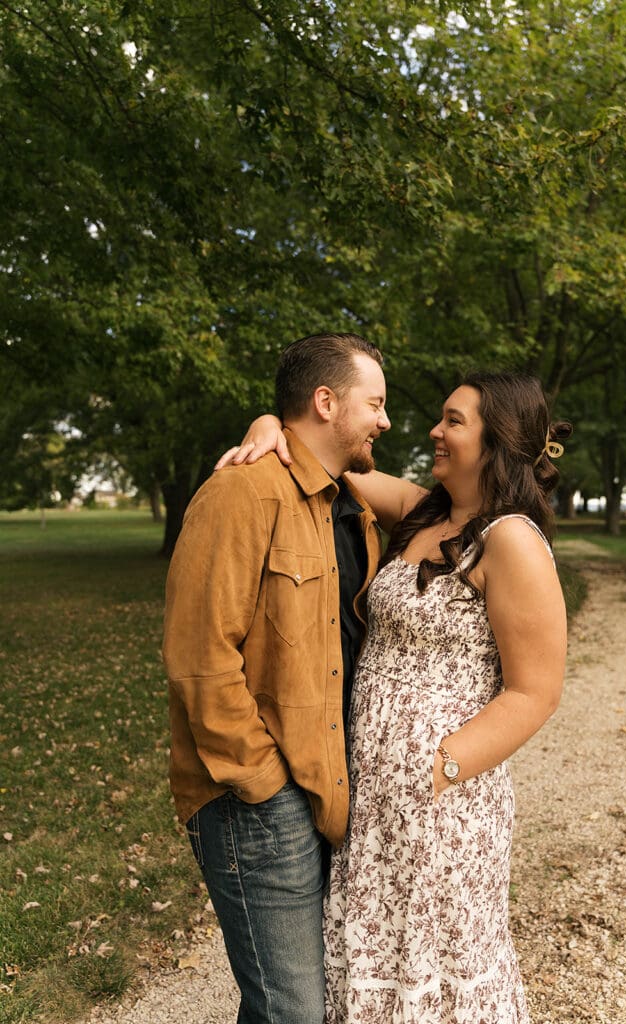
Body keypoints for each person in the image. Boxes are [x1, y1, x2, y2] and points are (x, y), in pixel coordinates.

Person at [219, 370, 572, 1023]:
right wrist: (267, 427)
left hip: (440, 810)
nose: (433, 432)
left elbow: (534, 692)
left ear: (497, 440)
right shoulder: (423, 511)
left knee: (434, 964)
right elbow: (326, 464)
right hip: (371, 798)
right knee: (372, 957)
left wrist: (438, 769)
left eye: (453, 421)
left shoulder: (510, 539)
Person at [163, 332, 391, 1024]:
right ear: (325, 402)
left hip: (325, 790)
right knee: (290, 1007)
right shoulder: (240, 494)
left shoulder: (349, 505)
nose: (385, 420)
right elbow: (199, 657)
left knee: (289, 1002)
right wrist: (266, 787)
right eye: (374, 403)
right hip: (259, 801)